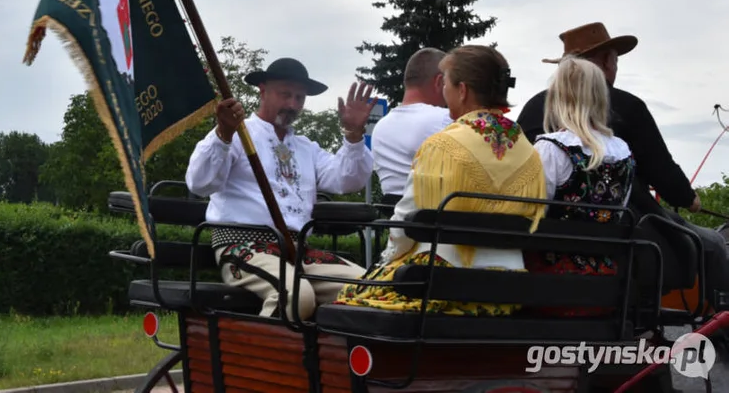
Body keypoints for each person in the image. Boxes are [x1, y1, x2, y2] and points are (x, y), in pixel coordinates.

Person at [333, 45, 547, 315]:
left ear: (463, 90)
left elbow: (406, 222)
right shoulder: (529, 149)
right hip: (511, 283)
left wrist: (384, 263)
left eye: (446, 83)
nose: (444, 92)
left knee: (348, 293)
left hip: (447, 283)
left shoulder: (442, 146)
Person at [185, 57, 376, 320]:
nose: (292, 104)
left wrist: (354, 135)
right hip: (243, 247)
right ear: (262, 90)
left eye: (300, 98)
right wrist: (224, 134)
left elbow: (346, 180)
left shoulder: (306, 147)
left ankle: (327, 357)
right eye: (285, 94)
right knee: (298, 295)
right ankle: (251, 359)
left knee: (371, 289)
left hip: (295, 251)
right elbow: (200, 182)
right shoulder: (238, 132)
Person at [515, 22, 699, 218]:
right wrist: (688, 198)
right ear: (606, 61)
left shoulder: (535, 106)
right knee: (710, 244)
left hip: (544, 227)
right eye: (616, 61)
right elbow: (660, 168)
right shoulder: (628, 111)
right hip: (628, 224)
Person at [523, 55, 635, 317]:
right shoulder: (623, 151)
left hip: (549, 285)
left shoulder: (550, 149)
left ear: (558, 97)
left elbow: (530, 213)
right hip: (607, 284)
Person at [371, 48, 453, 205]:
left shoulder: (380, 127)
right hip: (440, 220)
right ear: (439, 82)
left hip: (397, 221)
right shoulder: (444, 119)